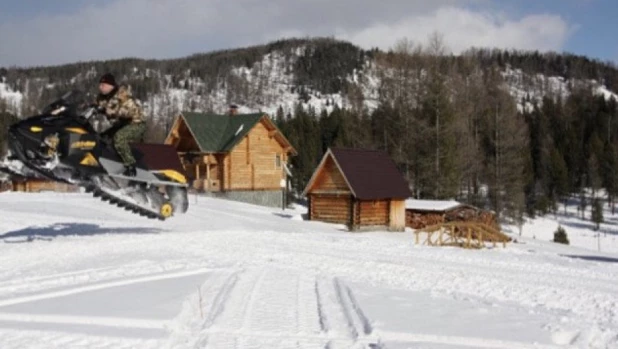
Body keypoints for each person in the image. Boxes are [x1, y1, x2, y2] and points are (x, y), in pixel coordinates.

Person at [95, 73, 146, 176]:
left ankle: (131, 166)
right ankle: (104, 165)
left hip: (136, 123)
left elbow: (130, 111)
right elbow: (94, 106)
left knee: (119, 138)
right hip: (120, 125)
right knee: (100, 138)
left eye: (103, 85)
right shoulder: (101, 98)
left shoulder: (122, 95)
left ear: (111, 86)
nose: (101, 87)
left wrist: (114, 111)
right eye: (100, 84)